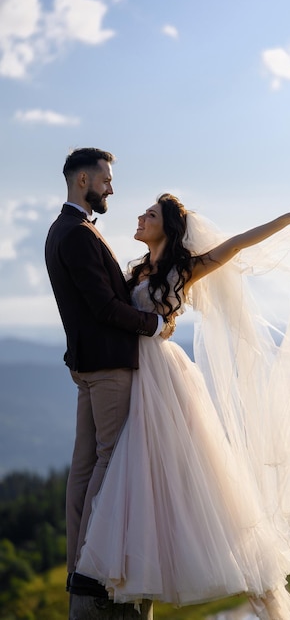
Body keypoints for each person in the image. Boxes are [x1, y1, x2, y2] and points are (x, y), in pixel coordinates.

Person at [76, 193, 290, 619]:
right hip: (131, 368)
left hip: (160, 373)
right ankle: (125, 559)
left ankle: (127, 566)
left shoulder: (182, 270)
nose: (141, 217)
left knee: (158, 465)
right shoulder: (135, 269)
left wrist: (289, 217)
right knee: (136, 465)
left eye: (151, 215)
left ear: (168, 228)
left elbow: (234, 245)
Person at [44, 148, 172, 598]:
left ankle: (78, 562)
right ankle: (89, 566)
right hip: (106, 365)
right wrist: (153, 324)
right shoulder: (77, 234)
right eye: (106, 180)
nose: (112, 188)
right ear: (83, 180)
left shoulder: (61, 230)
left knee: (83, 467)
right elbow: (102, 306)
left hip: (86, 365)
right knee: (110, 460)